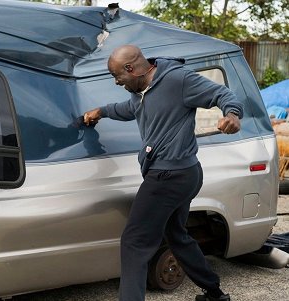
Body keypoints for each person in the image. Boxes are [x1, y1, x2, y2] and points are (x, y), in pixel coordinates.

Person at [83, 45, 242, 301]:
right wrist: (100, 112)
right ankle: (214, 293)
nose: (116, 82)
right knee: (176, 235)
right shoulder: (139, 92)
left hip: (168, 177)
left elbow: (222, 94)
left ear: (131, 69)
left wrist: (232, 115)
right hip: (184, 175)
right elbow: (127, 109)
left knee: (134, 243)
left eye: (117, 77)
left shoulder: (178, 79)